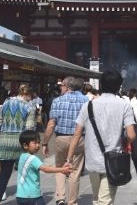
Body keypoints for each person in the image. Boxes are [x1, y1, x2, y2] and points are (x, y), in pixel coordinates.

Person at [67, 70, 136, 205]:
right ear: (119, 86)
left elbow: (77, 134)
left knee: (97, 198)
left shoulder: (88, 105)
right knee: (104, 201)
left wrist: (69, 158)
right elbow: (131, 135)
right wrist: (124, 141)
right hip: (113, 160)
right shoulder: (124, 105)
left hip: (92, 159)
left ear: (101, 84)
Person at [42, 77, 89, 205]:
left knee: (60, 168)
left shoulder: (57, 101)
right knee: (75, 170)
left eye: (61, 85)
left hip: (61, 138)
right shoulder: (86, 100)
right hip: (79, 138)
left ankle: (60, 197)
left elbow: (51, 124)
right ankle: (72, 201)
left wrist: (45, 142)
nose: (60, 88)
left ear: (67, 87)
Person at [0, 85, 37, 204]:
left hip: (4, 142)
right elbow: (29, 128)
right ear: (27, 94)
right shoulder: (29, 107)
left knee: (4, 174)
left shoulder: (6, 103)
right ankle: (25, 198)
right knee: (24, 173)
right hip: (20, 144)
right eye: (30, 97)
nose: (31, 99)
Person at [16, 130, 71, 205]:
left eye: (38, 142)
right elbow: (45, 169)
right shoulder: (33, 158)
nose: (38, 145)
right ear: (25, 145)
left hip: (20, 196)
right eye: (34, 143)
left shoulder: (22, 156)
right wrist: (62, 169)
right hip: (33, 196)